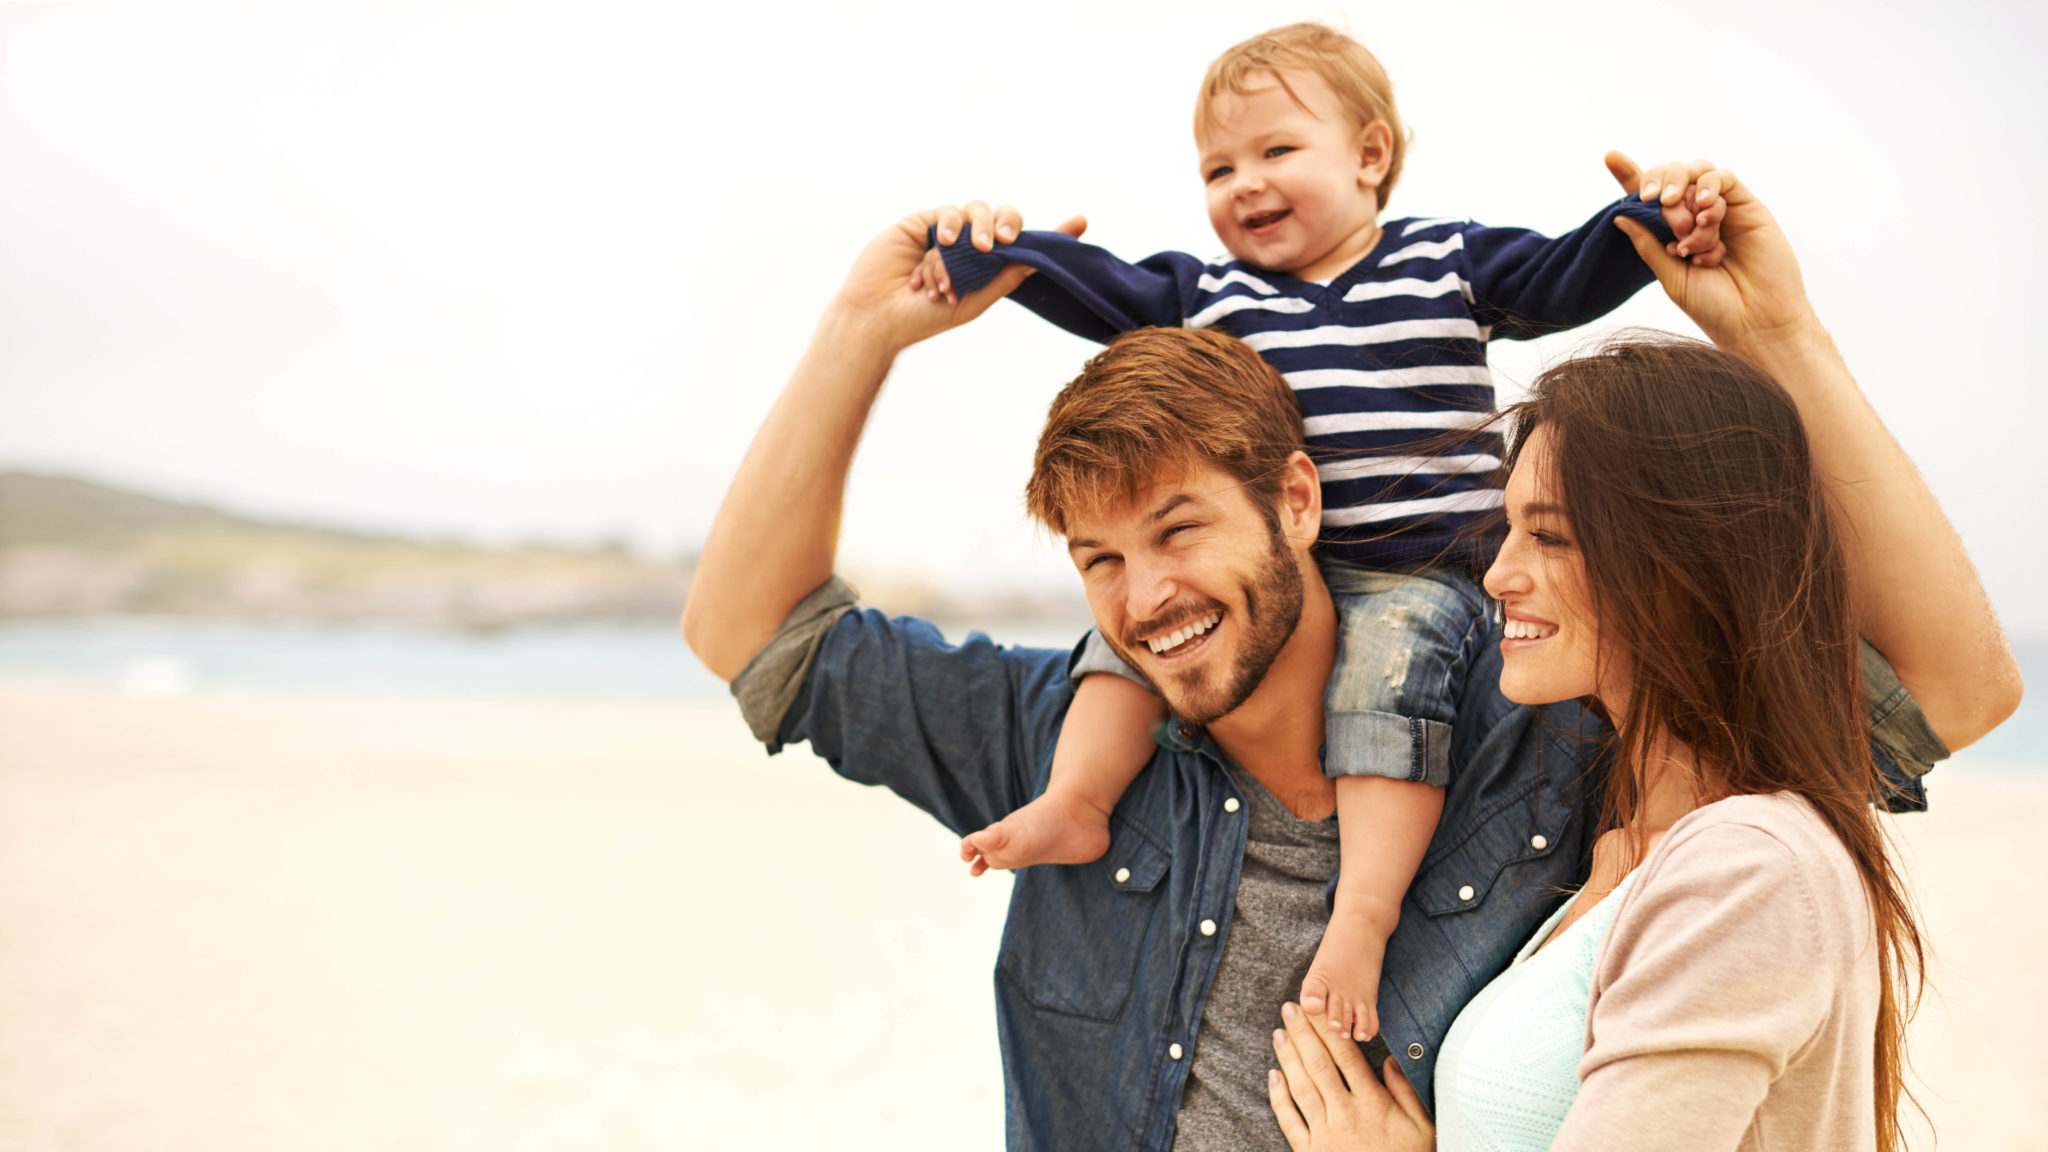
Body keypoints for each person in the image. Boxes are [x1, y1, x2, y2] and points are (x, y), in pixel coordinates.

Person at [679, 164, 2014, 1151]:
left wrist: (1777, 339)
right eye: (1098, 562)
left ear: (1300, 502)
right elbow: (752, 637)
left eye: (1179, 530)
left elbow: (1955, 687)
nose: (1144, 600)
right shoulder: (1069, 745)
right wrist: (860, 329)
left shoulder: (1539, 735)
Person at [912, 21, 1724, 1043]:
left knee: (1379, 687)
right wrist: (990, 249)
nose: (1241, 183)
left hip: (1425, 576)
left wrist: (1648, 217)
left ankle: (1360, 916)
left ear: (1369, 155)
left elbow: (1566, 274)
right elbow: (1093, 285)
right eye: (1217, 167)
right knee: (1114, 645)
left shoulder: (1443, 259)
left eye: (1274, 152)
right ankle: (1078, 798)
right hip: (1296, 574)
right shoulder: (1212, 297)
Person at [1262, 165, 2024, 1151]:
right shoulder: (1612, 831)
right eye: (1505, 531)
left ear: (1674, 565)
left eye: (1550, 536)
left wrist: (1776, 332)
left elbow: (1960, 688)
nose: (1494, 576)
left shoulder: (1744, 866)